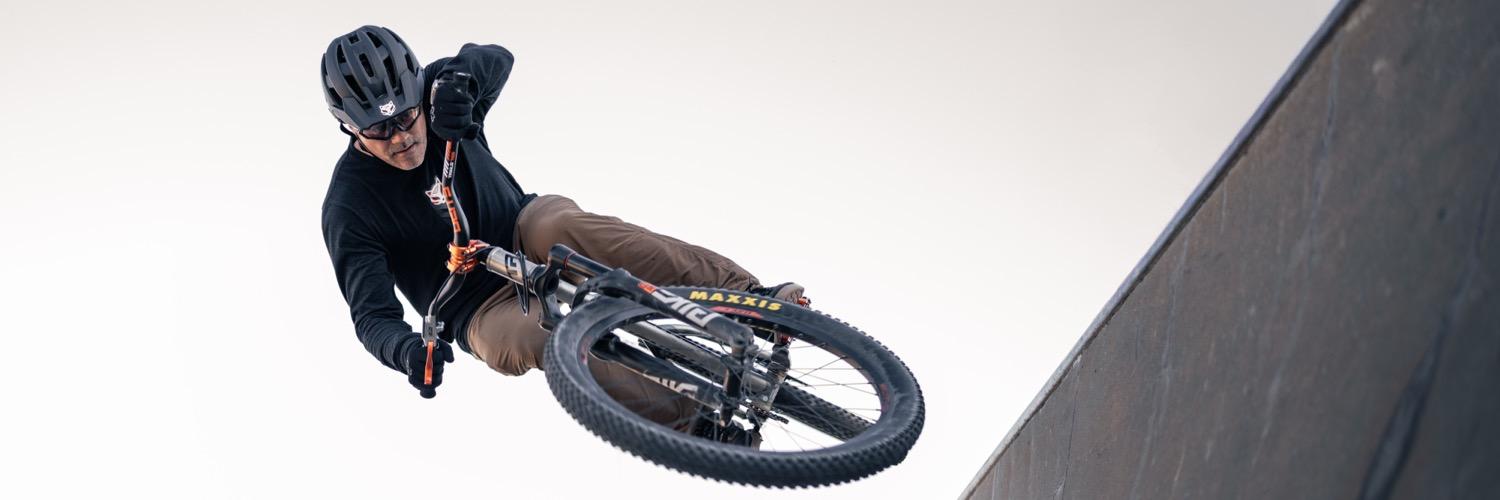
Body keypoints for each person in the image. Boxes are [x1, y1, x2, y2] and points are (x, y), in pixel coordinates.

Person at [319, 25, 801, 433]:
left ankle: (752, 300)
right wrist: (406, 352)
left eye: (407, 117)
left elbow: (496, 59)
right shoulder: (349, 206)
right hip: (476, 308)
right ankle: (701, 428)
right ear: (349, 127)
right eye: (378, 131)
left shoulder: (439, 94)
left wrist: (461, 78)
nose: (401, 137)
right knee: (538, 337)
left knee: (560, 224)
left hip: (522, 228)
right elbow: (372, 316)